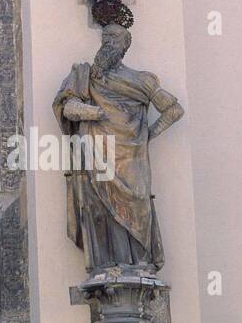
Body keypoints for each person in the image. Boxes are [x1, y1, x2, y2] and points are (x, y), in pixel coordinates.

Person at [52, 24, 183, 277]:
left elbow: (174, 110)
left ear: (125, 45)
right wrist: (93, 112)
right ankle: (105, 266)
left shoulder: (142, 80)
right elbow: (67, 106)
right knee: (99, 206)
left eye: (114, 37)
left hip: (132, 158)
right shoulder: (84, 75)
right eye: (105, 37)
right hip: (96, 155)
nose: (107, 42)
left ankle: (140, 264)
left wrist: (147, 135)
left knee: (137, 205)